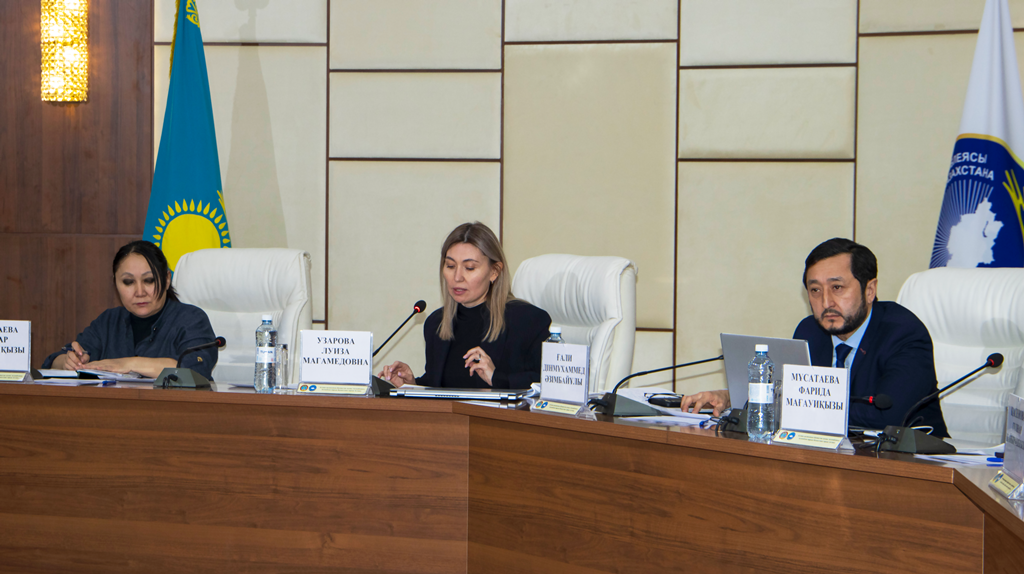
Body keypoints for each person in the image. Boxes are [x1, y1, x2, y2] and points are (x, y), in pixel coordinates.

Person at [680, 238, 949, 436]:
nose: (826, 302)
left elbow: (885, 415)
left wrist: (794, 406)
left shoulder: (903, 333)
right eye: (815, 290)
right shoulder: (810, 331)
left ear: (870, 291)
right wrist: (733, 399)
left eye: (837, 287)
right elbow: (791, 396)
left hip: (914, 466)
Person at [378, 222, 551, 389]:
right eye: (450, 266)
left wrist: (496, 377)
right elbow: (442, 389)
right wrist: (412, 385)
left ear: (494, 271)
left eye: (469, 268)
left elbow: (548, 383)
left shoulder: (528, 321)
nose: (457, 277)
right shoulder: (436, 324)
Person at [42, 240, 218, 379]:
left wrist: (128, 364)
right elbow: (53, 362)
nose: (140, 292)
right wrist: (68, 362)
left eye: (149, 280)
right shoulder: (109, 321)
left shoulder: (191, 319)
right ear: (116, 284)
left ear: (166, 280)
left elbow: (195, 370)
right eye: (128, 282)